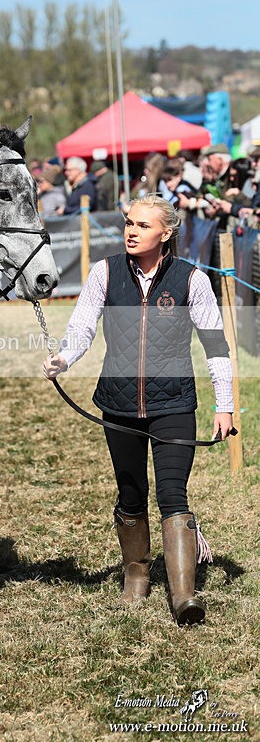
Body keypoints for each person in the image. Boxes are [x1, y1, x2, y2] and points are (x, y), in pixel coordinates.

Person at [43, 194, 234, 625]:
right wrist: (64, 358)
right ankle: (137, 575)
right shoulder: (105, 272)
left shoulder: (192, 279)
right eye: (129, 222)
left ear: (165, 233)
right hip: (119, 404)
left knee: (172, 494)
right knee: (131, 494)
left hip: (174, 404)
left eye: (143, 225)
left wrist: (225, 406)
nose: (131, 231)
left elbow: (216, 346)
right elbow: (82, 326)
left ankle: (183, 594)